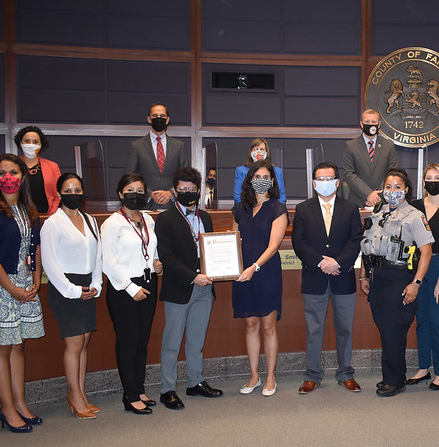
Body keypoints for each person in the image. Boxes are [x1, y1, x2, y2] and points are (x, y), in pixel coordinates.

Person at [0, 154, 44, 433]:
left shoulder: (28, 210)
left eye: (13, 172)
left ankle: (20, 403)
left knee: (18, 345)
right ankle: (6, 409)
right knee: (1, 347)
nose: (8, 178)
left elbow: (35, 248)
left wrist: (36, 279)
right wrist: (12, 289)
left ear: (22, 177)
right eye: (2, 173)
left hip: (25, 285)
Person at [360, 169, 433, 397]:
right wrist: (364, 276)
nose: (393, 192)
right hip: (376, 278)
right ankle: (392, 376)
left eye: (397, 187)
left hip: (399, 279)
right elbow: (368, 246)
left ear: (406, 189)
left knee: (394, 331)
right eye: (388, 187)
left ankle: (395, 380)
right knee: (385, 330)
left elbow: (427, 251)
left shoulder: (415, 216)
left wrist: (416, 283)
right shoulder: (377, 213)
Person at [292, 162, 364, 394]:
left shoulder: (351, 208)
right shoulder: (302, 209)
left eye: (329, 179)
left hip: (343, 278)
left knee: (345, 328)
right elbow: (298, 242)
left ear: (336, 182)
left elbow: (356, 240)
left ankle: (346, 373)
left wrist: (338, 263)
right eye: (320, 179)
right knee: (314, 329)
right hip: (315, 277)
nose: (324, 183)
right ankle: (312, 375)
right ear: (314, 183)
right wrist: (322, 262)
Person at [155, 167, 223, 409]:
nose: (187, 193)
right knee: (172, 342)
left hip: (205, 289)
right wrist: (193, 277)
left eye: (192, 189)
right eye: (182, 189)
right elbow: (168, 257)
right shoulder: (165, 219)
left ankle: (195, 382)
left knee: (196, 340)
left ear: (198, 190)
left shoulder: (205, 217)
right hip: (180, 287)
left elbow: (211, 250)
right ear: (174, 190)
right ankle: (167, 389)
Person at [40, 173, 103, 419]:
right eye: (68, 190)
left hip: (88, 285)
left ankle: (81, 393)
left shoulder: (90, 220)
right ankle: (74, 396)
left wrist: (96, 283)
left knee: (85, 340)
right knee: (74, 343)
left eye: (78, 189)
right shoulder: (52, 224)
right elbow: (50, 264)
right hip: (66, 288)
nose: (74, 194)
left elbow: (97, 254)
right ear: (58, 194)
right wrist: (73, 291)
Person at [101, 173, 162, 415]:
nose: (135, 194)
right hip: (124, 287)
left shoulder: (148, 219)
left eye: (139, 190)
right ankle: (130, 394)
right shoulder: (112, 223)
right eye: (130, 189)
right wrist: (130, 288)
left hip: (148, 281)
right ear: (120, 193)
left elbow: (150, 248)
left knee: (142, 340)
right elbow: (109, 262)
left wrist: (157, 263)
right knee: (128, 342)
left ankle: (139, 387)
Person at [232, 160, 289, 396]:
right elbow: (233, 240)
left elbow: (274, 246)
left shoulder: (278, 208)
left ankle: (270, 376)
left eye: (266, 177)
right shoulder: (239, 209)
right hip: (242, 272)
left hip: (265, 271)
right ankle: (254, 375)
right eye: (257, 177)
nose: (261, 181)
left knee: (268, 325)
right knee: (250, 323)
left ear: (273, 182)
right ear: (249, 180)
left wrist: (253, 267)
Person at [406, 163, 439, 390]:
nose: (433, 181)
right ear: (423, 182)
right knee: (422, 322)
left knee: (437, 323)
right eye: (429, 177)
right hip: (418, 266)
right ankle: (423, 368)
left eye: (437, 177)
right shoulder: (414, 206)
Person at [126, 102, 190, 210]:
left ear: (168, 120)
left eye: (162, 116)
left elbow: (185, 177)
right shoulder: (136, 146)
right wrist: (150, 194)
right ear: (149, 119)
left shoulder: (179, 146)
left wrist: (170, 193)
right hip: (145, 206)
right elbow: (130, 177)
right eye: (155, 116)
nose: (158, 118)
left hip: (173, 206)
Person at [341, 109, 399, 207]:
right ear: (362, 124)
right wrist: (368, 194)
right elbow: (348, 174)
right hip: (358, 199)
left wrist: (377, 195)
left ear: (379, 124)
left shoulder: (388, 146)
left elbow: (392, 172)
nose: (370, 124)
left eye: (374, 122)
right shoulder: (351, 146)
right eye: (367, 122)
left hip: (382, 199)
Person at [15, 126, 61, 214]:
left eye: (35, 142)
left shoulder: (52, 167)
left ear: (40, 145)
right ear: (20, 143)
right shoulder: (13, 166)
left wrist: (50, 216)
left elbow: (58, 196)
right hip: (19, 218)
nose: (31, 144)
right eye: (27, 141)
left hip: (46, 217)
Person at [233, 138, 286, 203]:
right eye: (255, 149)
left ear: (266, 152)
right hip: (248, 209)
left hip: (273, 209)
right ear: (251, 152)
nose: (258, 152)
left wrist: (277, 210)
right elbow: (238, 197)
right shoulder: (241, 170)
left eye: (261, 149)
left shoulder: (277, 171)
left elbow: (282, 196)